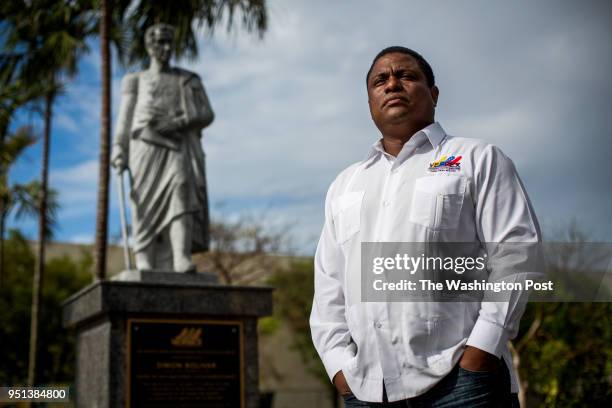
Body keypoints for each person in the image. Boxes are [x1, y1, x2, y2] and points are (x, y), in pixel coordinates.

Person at [309, 46, 541, 406]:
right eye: (379, 80)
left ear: (433, 94)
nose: (392, 84)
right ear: (369, 100)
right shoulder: (345, 185)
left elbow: (516, 254)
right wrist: (340, 369)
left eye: (407, 75)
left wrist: (482, 350)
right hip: (368, 391)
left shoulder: (476, 159)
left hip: (462, 385)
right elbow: (329, 286)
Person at [111, 23, 214, 272]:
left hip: (177, 146)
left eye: (169, 42)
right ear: (149, 45)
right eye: (159, 42)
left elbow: (206, 113)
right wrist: (118, 148)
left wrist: (178, 121)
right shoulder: (135, 80)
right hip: (144, 146)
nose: (165, 48)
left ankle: (180, 255)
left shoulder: (187, 79)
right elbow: (125, 117)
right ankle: (143, 255)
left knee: (181, 190)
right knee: (143, 201)